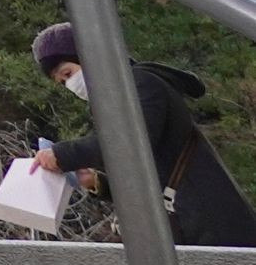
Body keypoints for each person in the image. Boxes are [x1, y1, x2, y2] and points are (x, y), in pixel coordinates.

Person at [30, 21, 256, 248]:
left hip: (210, 226)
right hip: (190, 227)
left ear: (88, 56)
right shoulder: (119, 97)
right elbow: (146, 174)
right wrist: (97, 182)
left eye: (68, 73)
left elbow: (133, 143)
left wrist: (63, 155)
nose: (70, 85)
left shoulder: (142, 84)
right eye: (63, 82)